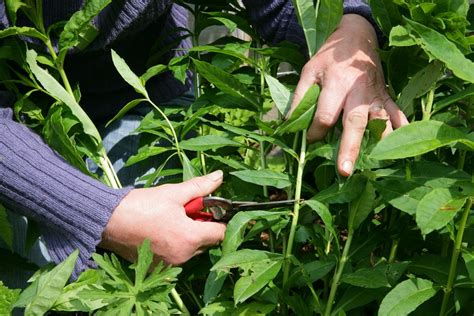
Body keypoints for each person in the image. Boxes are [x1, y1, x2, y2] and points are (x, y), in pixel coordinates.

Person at [0, 0, 408, 281]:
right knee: (44, 276)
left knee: (165, 258)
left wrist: (352, 28)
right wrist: (99, 215)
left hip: (143, 73)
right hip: (16, 97)